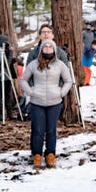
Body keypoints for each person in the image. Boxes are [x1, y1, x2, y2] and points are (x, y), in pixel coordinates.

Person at [21, 39, 71, 169]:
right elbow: (24, 80)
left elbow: (68, 81)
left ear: (54, 50)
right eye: (45, 46)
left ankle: (50, 155)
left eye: (50, 46)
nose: (48, 48)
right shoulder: (33, 64)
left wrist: (61, 93)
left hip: (55, 102)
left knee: (51, 130)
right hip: (37, 102)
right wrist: (30, 92)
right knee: (38, 130)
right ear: (41, 49)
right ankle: (37, 155)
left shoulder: (60, 65)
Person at [0, 35, 18, 121]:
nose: (7, 43)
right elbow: (5, 63)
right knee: (0, 95)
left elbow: (8, 62)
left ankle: (9, 113)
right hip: (1, 76)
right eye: (6, 41)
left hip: (7, 75)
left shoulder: (3, 51)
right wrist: (10, 53)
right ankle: (0, 114)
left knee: (7, 94)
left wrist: (12, 58)